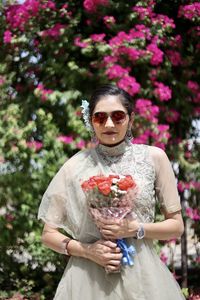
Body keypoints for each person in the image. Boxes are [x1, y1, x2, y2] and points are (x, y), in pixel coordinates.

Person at [38, 84, 185, 299]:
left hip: (142, 276)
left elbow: (176, 226)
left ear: (131, 119)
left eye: (118, 116)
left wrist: (135, 229)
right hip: (86, 279)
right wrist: (89, 251)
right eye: (100, 117)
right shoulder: (74, 166)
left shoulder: (154, 158)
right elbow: (48, 235)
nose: (109, 124)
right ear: (90, 121)